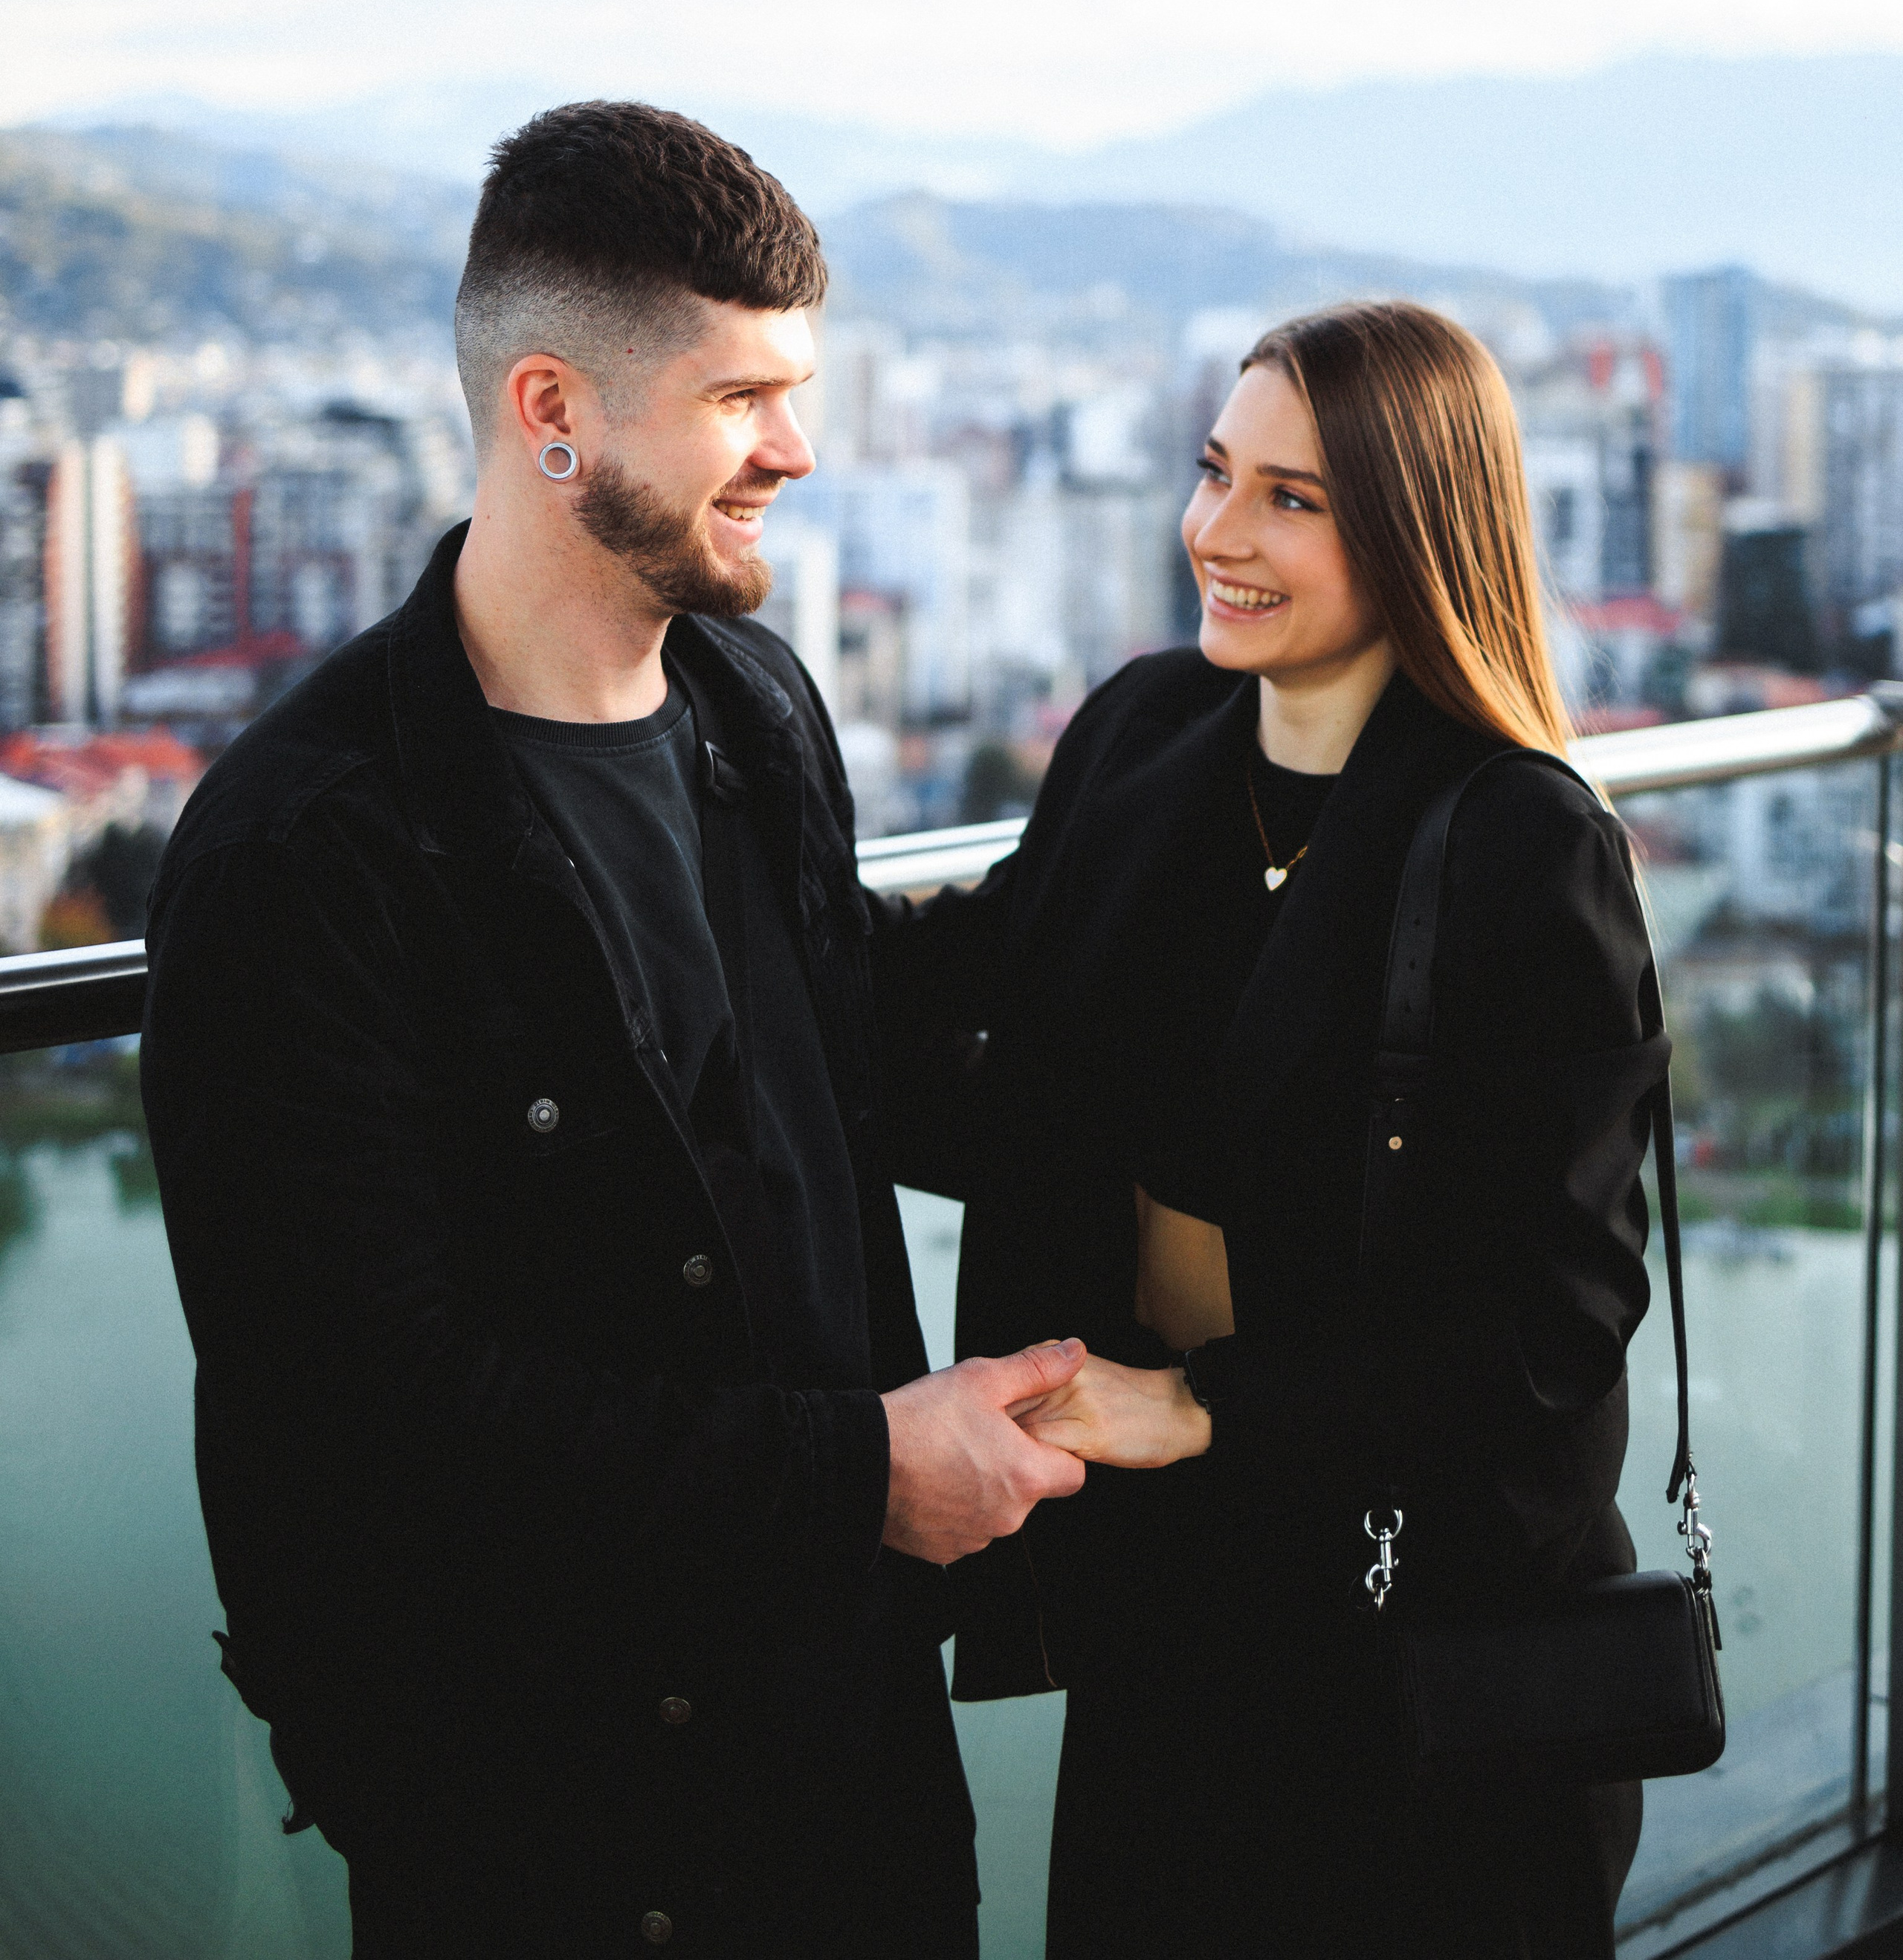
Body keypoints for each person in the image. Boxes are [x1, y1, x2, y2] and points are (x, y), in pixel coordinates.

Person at [140, 101, 1088, 1960]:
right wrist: (863, 1477)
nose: (797, 452)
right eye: (742, 400)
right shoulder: (304, 853)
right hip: (559, 1819)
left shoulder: (752, 704)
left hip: (851, 1753)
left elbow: (854, 1050)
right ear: (552, 412)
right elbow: (364, 1418)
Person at [875, 300, 1665, 1959]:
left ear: (1412, 528)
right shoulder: (1145, 737)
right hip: (1170, 1600)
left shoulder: (1524, 844)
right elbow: (961, 996)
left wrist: (1195, 1407)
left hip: (1420, 1619)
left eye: (1289, 501)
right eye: (1213, 471)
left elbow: (1555, 1326)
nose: (1213, 535)